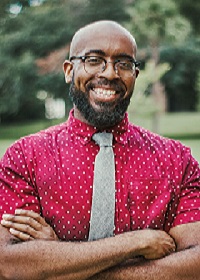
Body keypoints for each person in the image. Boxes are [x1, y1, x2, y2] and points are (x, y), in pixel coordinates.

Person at [0, 20, 200, 280]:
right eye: (94, 60)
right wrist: (135, 243)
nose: (109, 73)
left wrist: (59, 259)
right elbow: (9, 264)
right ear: (69, 70)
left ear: (135, 76)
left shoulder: (177, 160)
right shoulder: (24, 157)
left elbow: (194, 264)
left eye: (124, 64)